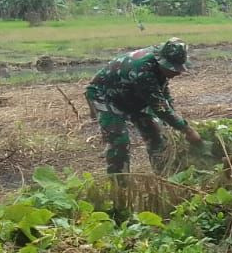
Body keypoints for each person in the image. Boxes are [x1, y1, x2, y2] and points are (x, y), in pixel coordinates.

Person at [84, 38, 202, 174]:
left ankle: (165, 176)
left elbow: (163, 95)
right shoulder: (143, 70)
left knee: (157, 136)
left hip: (133, 95)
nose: (177, 73)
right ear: (162, 62)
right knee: (119, 141)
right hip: (105, 95)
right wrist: (187, 130)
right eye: (173, 68)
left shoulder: (158, 67)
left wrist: (174, 121)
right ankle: (120, 184)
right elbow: (159, 106)